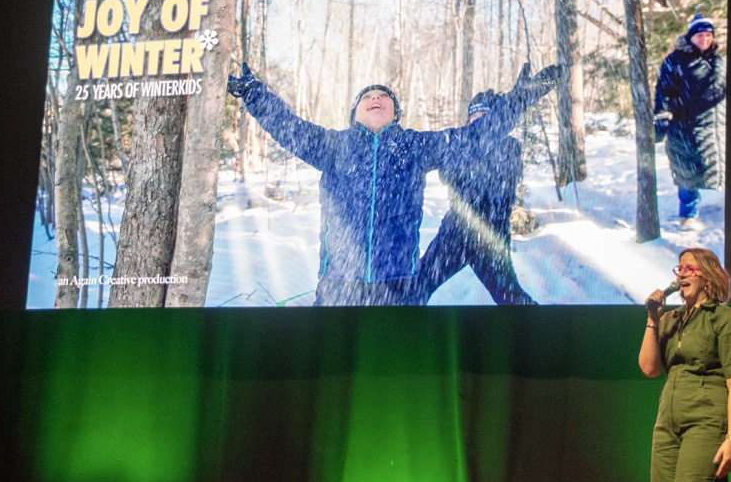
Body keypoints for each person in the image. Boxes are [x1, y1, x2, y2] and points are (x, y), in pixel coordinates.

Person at [226, 62, 561, 306]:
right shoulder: (332, 147)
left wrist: (520, 98)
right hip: (338, 288)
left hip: (397, 289)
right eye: (367, 96)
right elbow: (288, 127)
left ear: (396, 114)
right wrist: (255, 94)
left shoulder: (414, 147)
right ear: (353, 111)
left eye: (384, 97)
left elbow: (475, 137)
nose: (376, 98)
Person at [639, 247, 731, 482]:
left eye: (689, 268)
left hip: (705, 420)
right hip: (667, 422)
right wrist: (651, 318)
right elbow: (649, 368)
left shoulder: (724, 318)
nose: (682, 274)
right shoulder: (670, 320)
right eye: (679, 269)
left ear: (708, 275)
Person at [415, 88, 542, 305]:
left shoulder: (509, 147)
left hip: (490, 237)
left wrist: (471, 162)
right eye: (473, 119)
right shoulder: (460, 144)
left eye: (484, 119)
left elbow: (498, 184)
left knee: (511, 298)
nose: (478, 125)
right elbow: (447, 174)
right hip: (455, 233)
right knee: (417, 287)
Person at [654, 13, 726, 229]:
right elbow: (663, 92)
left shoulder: (721, 61)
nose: (704, 38)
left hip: (717, 129)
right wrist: (661, 118)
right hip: (685, 128)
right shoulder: (675, 61)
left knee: (722, 169)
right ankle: (688, 216)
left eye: (707, 34)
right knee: (687, 173)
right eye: (699, 35)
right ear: (690, 37)